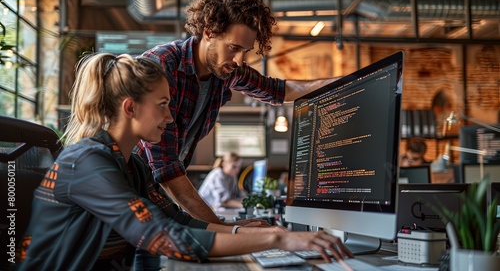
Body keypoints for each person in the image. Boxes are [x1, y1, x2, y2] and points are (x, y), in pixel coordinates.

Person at [15, 52, 353, 270]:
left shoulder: (131, 163)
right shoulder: (87, 162)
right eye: (162, 105)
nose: (170, 117)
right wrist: (280, 240)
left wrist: (239, 229)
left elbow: (177, 219)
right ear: (130, 108)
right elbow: (161, 235)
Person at [135, 0, 340, 228]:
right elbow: (165, 167)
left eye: (245, 51)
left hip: (155, 194)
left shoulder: (224, 72)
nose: (239, 60)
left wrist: (351, 81)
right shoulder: (163, 66)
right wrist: (227, 230)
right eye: (233, 47)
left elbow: (280, 90)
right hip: (127, 187)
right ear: (209, 32)